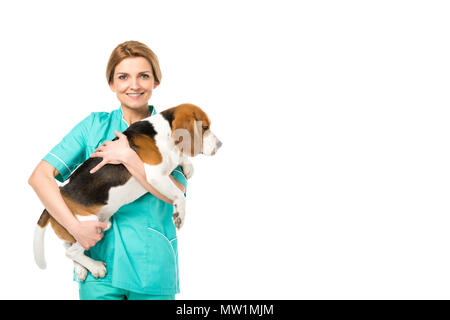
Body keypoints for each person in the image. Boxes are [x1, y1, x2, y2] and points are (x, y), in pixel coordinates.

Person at [28, 40, 187, 300]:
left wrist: (127, 157)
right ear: (112, 84)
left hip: (152, 267)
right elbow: (39, 177)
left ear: (156, 82)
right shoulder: (93, 126)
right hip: (99, 268)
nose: (133, 85)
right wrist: (75, 228)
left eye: (143, 76)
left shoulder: (173, 135)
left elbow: (175, 192)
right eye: (123, 77)